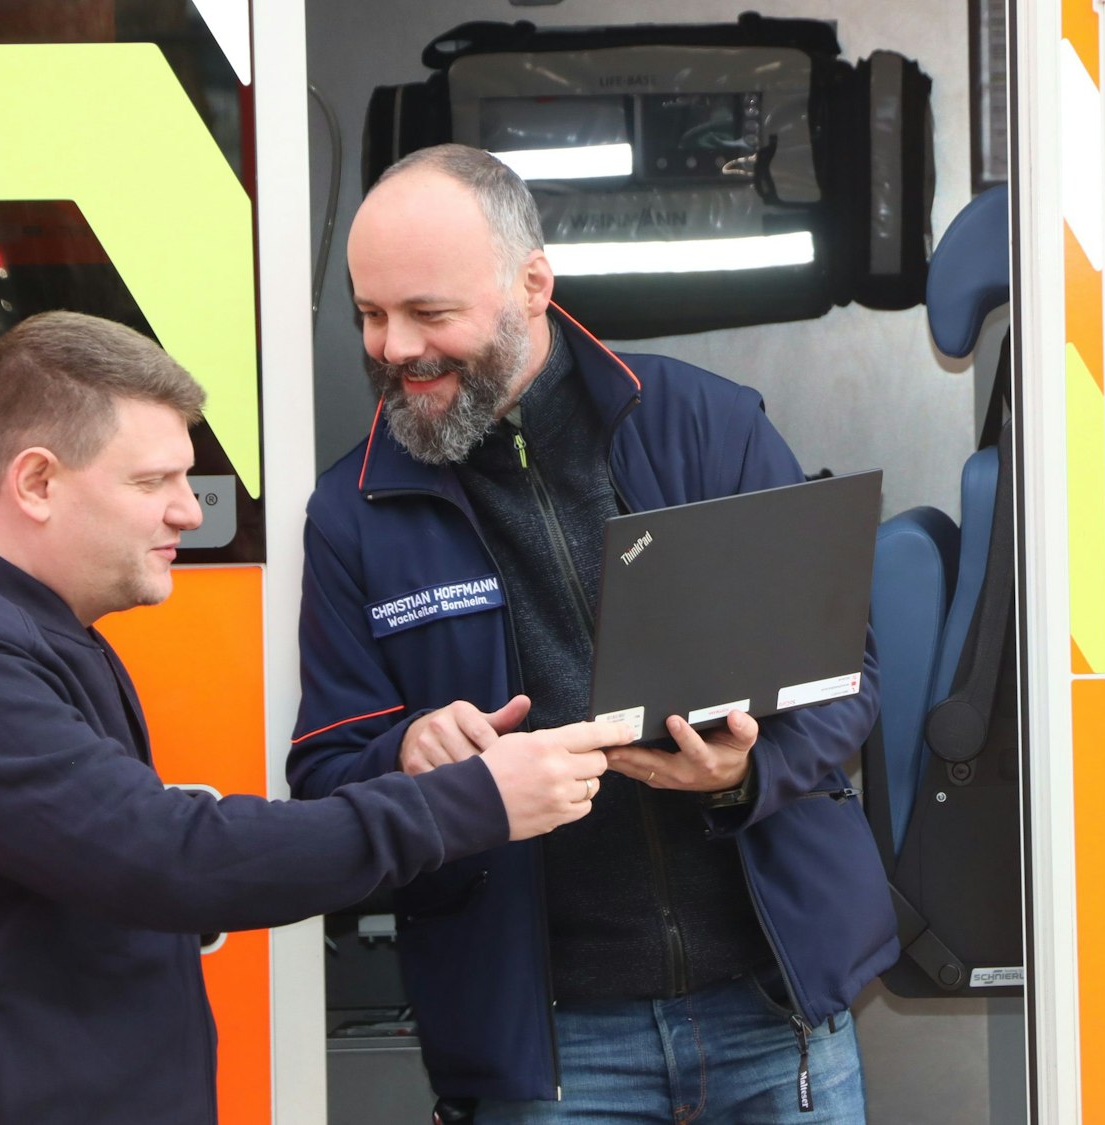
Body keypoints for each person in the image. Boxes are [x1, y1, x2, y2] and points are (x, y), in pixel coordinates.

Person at [0, 311, 630, 1124]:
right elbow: (170, 857)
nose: (189, 512)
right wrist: (474, 800)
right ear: (36, 482)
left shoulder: (21, 635)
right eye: (151, 481)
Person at [290, 145, 898, 1123]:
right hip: (550, 1051)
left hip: (770, 1009)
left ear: (531, 286)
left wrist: (739, 775)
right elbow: (323, 774)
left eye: (427, 313)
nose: (394, 347)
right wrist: (405, 753)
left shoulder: (706, 426)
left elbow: (844, 678)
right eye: (369, 314)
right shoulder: (354, 510)